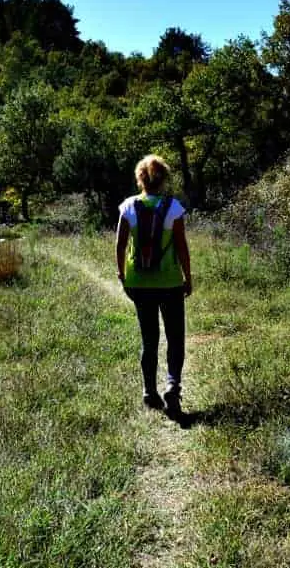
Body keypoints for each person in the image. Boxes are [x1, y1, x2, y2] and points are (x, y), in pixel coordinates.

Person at [116, 154, 193, 412]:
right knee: (175, 337)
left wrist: (122, 276)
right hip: (170, 282)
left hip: (139, 282)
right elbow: (181, 246)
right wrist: (188, 277)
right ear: (164, 179)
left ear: (140, 179)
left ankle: (149, 391)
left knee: (149, 339)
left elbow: (120, 244)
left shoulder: (128, 207)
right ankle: (172, 386)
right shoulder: (174, 208)